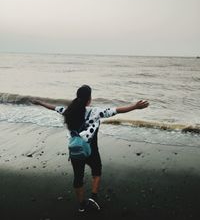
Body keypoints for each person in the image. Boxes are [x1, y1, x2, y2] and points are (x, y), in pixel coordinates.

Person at [31, 85, 149, 213]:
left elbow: (53, 107)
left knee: (78, 178)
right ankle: (93, 197)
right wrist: (135, 107)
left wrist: (39, 102)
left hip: (75, 150)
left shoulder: (68, 111)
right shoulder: (96, 112)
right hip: (91, 150)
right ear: (89, 99)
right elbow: (117, 110)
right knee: (97, 172)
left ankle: (81, 205)